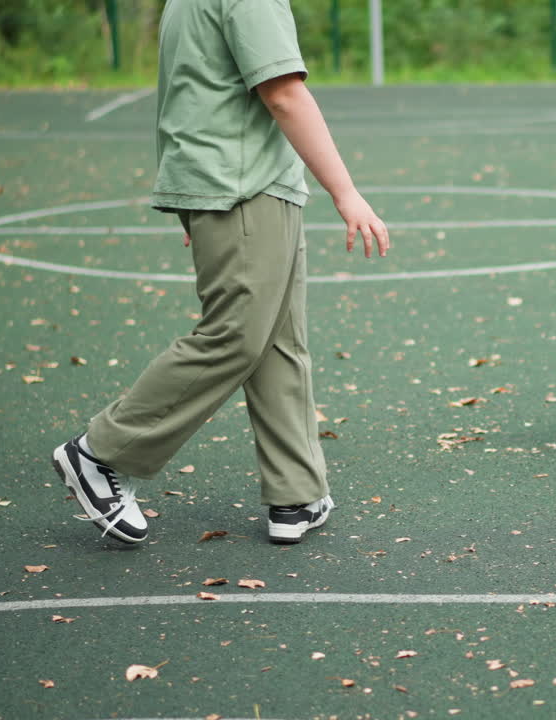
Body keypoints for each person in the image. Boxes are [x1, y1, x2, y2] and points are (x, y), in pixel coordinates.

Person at [50, 0, 390, 546]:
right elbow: (282, 92)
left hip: (238, 183)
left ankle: (295, 493)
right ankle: (97, 451)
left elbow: (186, 91)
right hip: (241, 185)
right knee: (235, 335)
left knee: (277, 341)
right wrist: (345, 192)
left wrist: (191, 191)